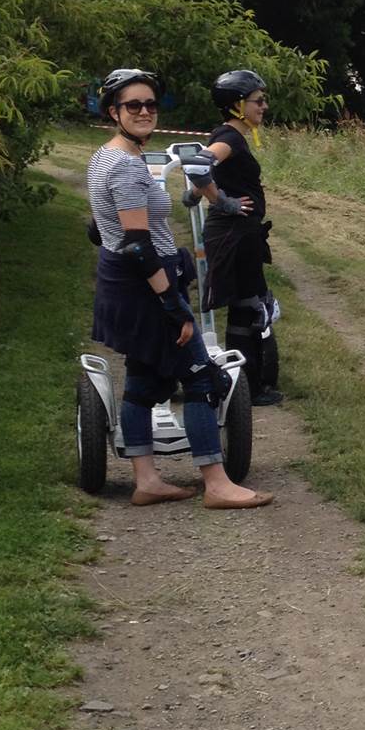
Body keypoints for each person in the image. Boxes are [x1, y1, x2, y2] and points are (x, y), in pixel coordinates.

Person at [88, 68, 273, 509]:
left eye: (151, 105)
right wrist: (172, 304)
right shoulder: (128, 169)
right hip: (145, 288)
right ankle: (217, 484)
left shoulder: (103, 158)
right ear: (114, 111)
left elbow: (99, 227)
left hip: (123, 284)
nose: (145, 112)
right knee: (201, 378)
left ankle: (147, 480)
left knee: (141, 380)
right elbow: (137, 246)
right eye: (133, 105)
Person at [185, 69, 283, 406]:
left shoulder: (232, 135)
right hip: (234, 234)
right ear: (238, 105)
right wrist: (220, 200)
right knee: (250, 308)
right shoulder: (231, 136)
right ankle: (248, 387)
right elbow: (197, 166)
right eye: (258, 101)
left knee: (246, 308)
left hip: (242, 234)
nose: (264, 106)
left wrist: (198, 194)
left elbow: (203, 173)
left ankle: (245, 384)